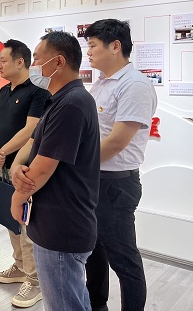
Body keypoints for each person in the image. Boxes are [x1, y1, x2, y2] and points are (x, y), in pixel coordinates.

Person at [10, 31, 100, 310]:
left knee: (63, 303)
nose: (33, 65)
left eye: (37, 59)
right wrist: (17, 166)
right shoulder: (59, 100)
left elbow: (42, 169)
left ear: (58, 62)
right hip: (55, 222)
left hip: (62, 226)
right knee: (72, 299)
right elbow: (34, 143)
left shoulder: (72, 103)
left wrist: (16, 199)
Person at [84, 19, 157, 311]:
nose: (88, 52)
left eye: (93, 45)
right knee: (94, 253)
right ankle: (96, 305)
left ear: (115, 46)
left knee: (124, 260)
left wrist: (75, 163)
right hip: (95, 178)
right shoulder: (102, 83)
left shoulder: (134, 85)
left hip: (116, 185)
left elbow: (116, 143)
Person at [0, 39, 50, 308]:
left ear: (20, 61)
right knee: (11, 219)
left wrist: (3, 151)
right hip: (3, 165)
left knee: (26, 225)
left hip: (24, 168)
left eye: (3, 61)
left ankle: (35, 280)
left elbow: (31, 130)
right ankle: (20, 266)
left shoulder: (38, 93)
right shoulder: (3, 91)